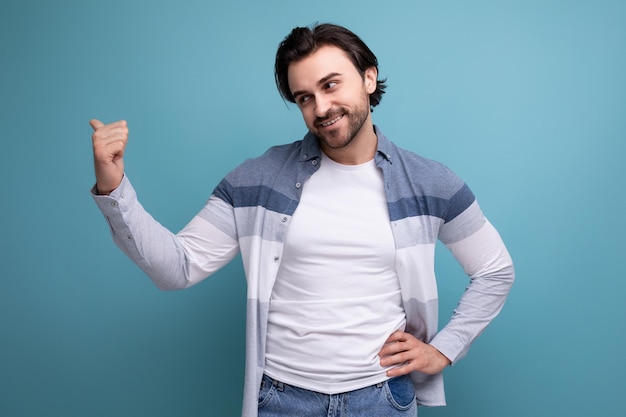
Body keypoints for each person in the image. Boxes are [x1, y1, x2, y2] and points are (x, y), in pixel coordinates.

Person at [90, 23, 514, 417]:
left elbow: (495, 270)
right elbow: (177, 268)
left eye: (331, 85)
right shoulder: (257, 178)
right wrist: (114, 188)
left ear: (368, 78)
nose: (321, 107)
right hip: (281, 399)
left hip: (381, 398)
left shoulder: (428, 182)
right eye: (304, 97)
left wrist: (443, 349)